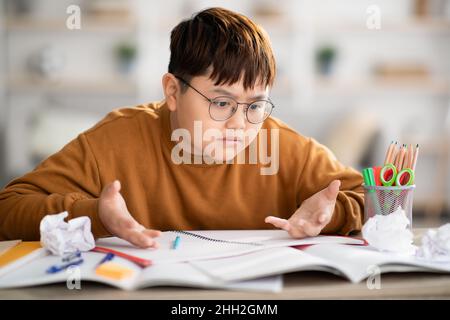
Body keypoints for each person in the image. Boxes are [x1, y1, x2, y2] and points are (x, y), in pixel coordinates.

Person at [0, 8, 364, 248]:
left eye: (254, 105)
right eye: (221, 103)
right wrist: (96, 215)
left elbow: (382, 202)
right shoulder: (115, 140)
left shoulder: (285, 147)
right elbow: (9, 208)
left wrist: (336, 212)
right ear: (173, 91)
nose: (240, 123)